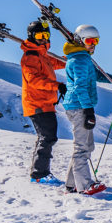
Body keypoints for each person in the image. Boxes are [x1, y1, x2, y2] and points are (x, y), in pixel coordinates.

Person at [62, 24, 112, 195]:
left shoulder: (83, 58)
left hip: (79, 106)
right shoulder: (79, 60)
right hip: (79, 106)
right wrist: (88, 110)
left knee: (86, 145)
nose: (93, 44)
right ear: (79, 40)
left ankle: (72, 184)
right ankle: (84, 185)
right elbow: (80, 86)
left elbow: (96, 75)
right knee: (82, 147)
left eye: (96, 41)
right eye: (90, 40)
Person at [20, 20, 67, 184]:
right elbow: (34, 80)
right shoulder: (30, 57)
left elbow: (58, 63)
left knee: (48, 137)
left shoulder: (43, 56)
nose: (43, 39)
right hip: (37, 104)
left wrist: (73, 57)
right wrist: (57, 86)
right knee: (47, 137)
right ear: (32, 37)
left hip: (45, 103)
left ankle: (40, 173)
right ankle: (39, 174)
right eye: (40, 36)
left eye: (46, 36)